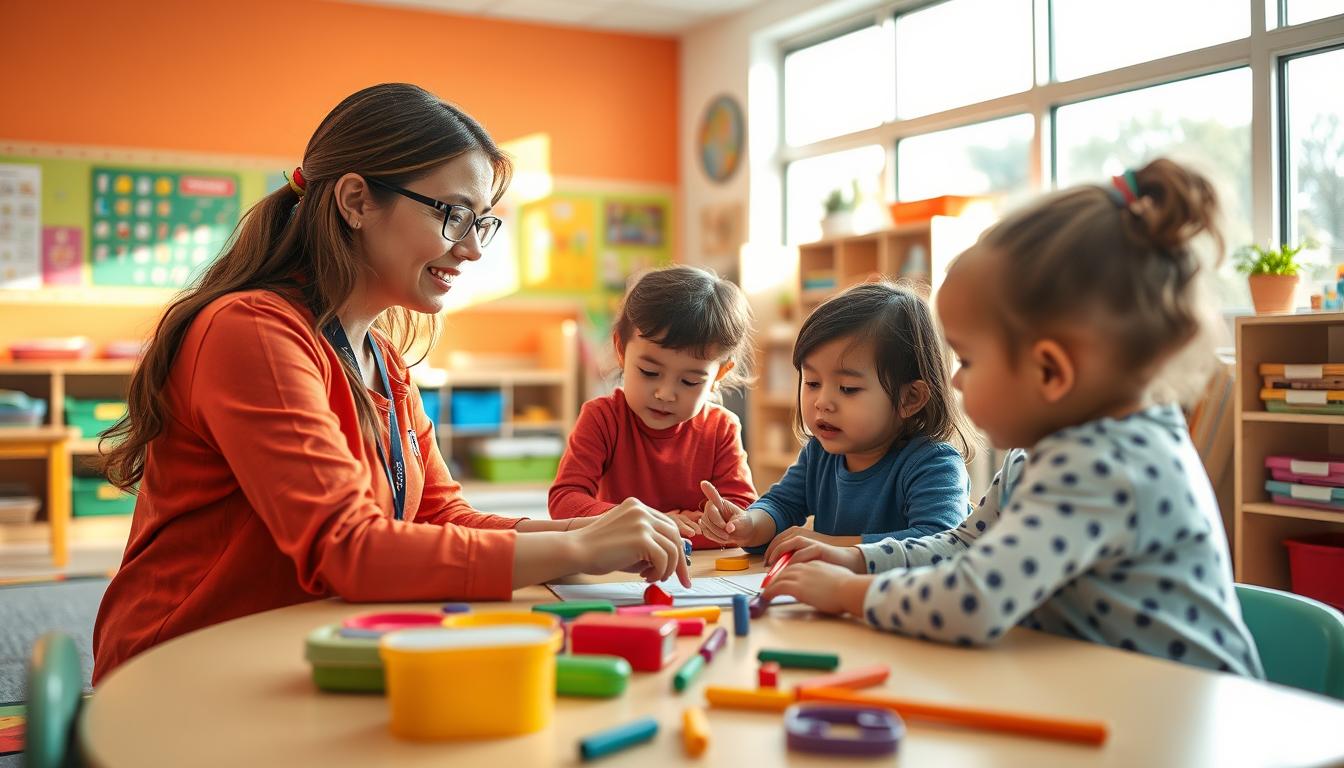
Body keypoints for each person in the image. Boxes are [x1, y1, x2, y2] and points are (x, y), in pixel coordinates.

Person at [91, 83, 688, 684]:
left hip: (302, 647)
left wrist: (587, 528)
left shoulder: (382, 357)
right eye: (454, 215)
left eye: (484, 222)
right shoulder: (249, 331)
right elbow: (349, 550)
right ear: (356, 200)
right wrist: (578, 550)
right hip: (183, 667)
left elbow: (438, 514)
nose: (475, 249)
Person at [759, 159, 1264, 677]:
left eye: (969, 361)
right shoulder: (1043, 455)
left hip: (1195, 717)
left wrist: (849, 592)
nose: (954, 382)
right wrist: (859, 559)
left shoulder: (1104, 464)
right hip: (1117, 696)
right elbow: (962, 546)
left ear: (1050, 370)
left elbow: (974, 600)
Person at [700, 282, 973, 558]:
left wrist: (828, 544)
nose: (822, 402)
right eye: (813, 382)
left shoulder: (934, 464)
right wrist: (748, 524)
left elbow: (940, 544)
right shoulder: (819, 455)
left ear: (910, 398)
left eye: (848, 389)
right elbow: (780, 506)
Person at [548, 265, 756, 550]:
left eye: (689, 381)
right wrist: (649, 521)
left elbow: (740, 521)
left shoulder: (721, 428)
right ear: (621, 350)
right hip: (619, 564)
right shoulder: (602, 418)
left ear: (718, 375)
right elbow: (564, 502)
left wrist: (714, 526)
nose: (665, 393)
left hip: (699, 573)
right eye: (649, 372)